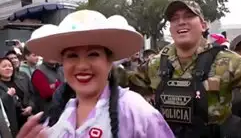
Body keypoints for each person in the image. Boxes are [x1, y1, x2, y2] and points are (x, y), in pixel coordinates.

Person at [130, 0, 241, 138]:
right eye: (175, 19)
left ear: (203, 25)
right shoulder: (156, 64)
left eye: (188, 16)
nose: (181, 22)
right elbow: (124, 84)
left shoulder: (226, 61)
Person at [17, 10, 174, 138]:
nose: (82, 65)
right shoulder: (57, 116)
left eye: (93, 54)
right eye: (72, 56)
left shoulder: (137, 112)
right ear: (62, 63)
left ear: (109, 61)